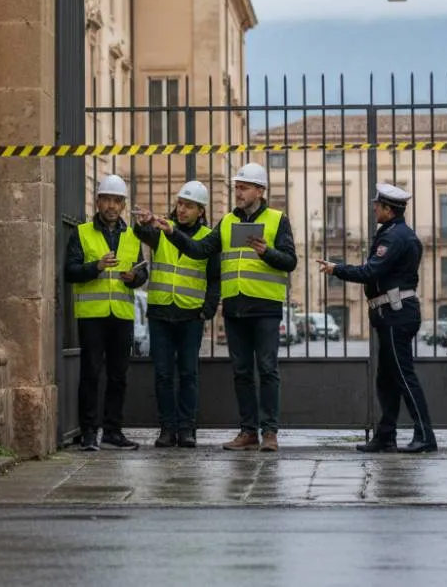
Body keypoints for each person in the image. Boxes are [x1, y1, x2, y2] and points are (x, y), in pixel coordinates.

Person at [143, 162, 297, 452]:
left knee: (267, 369)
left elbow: (290, 261)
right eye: (236, 187)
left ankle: (271, 432)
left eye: (244, 187)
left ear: (260, 191)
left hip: (265, 307)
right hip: (235, 308)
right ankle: (248, 431)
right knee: (240, 372)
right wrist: (173, 232)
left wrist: (268, 252)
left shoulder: (278, 220)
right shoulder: (226, 222)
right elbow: (200, 250)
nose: (238, 192)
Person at [316, 183, 437, 454]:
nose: (373, 208)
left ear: (388, 209)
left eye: (377, 205)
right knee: (387, 378)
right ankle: (386, 436)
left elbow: (371, 272)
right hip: (391, 314)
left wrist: (337, 269)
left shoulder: (394, 237)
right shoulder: (395, 233)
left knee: (404, 376)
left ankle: (425, 436)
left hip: (396, 315)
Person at [131, 180, 221, 448]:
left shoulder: (208, 237)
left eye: (189, 206)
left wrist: (207, 310)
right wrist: (145, 223)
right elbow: (141, 233)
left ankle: (187, 428)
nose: (181, 210)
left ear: (200, 211)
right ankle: (167, 428)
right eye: (180, 204)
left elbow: (214, 279)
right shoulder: (161, 230)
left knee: (189, 374)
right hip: (160, 313)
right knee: (162, 374)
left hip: (191, 315)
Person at [63, 173, 149, 451]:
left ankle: (113, 431)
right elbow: (70, 272)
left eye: (117, 201)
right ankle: (89, 432)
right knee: (90, 373)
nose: (112, 206)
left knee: (118, 376)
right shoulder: (82, 233)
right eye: (107, 200)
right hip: (92, 315)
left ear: (123, 205)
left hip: (122, 315)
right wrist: (96, 267)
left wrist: (133, 278)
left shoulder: (132, 236)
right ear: (97, 201)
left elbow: (141, 272)